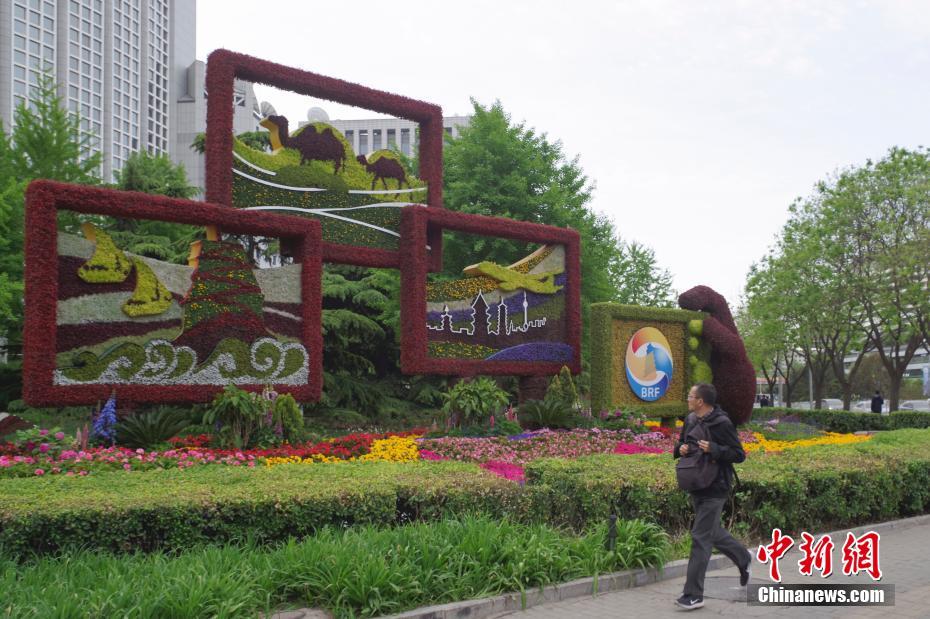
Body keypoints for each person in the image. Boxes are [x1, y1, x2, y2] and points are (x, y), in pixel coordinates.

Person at [674, 383, 751, 610]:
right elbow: (683, 443)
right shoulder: (690, 419)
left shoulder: (722, 422)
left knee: (700, 537)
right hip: (696, 482)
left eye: (691, 396)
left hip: (716, 486)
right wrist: (681, 449)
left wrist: (714, 449)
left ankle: (693, 595)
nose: (688, 399)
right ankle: (743, 557)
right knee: (711, 531)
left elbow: (738, 454)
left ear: (701, 401)